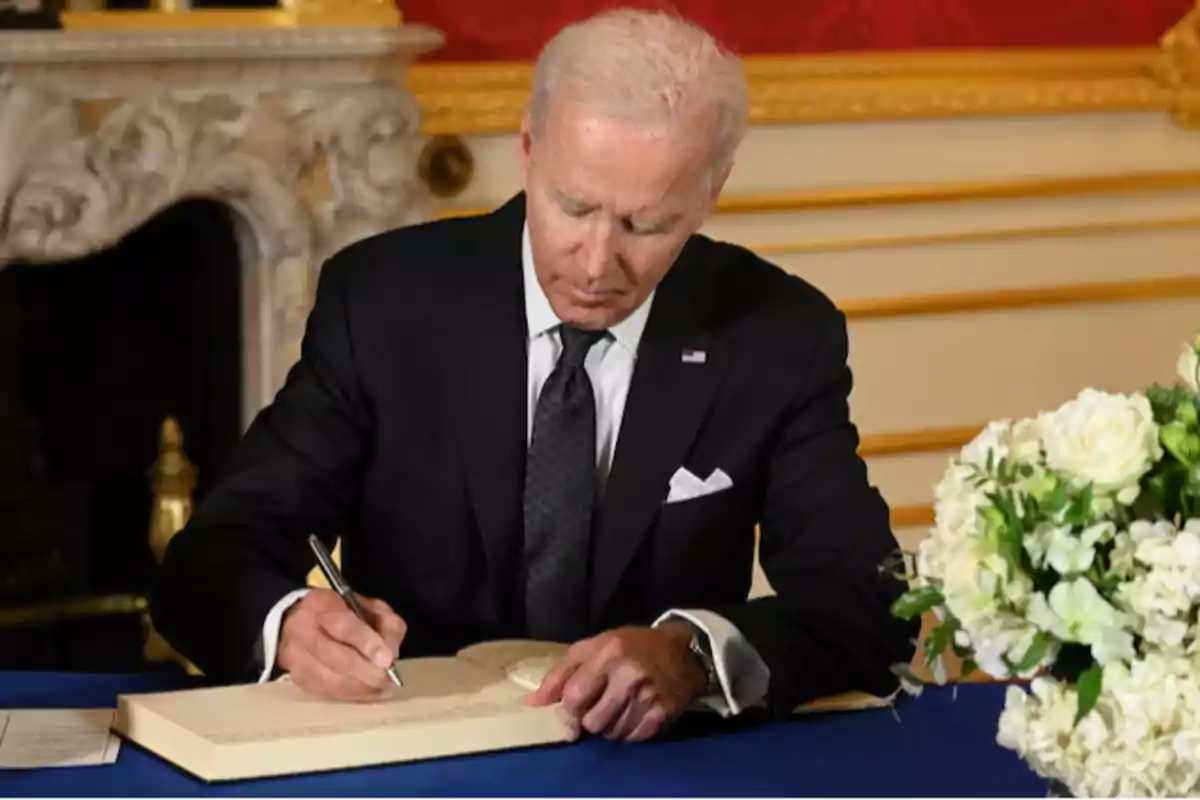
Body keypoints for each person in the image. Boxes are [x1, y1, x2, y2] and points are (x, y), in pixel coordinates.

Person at [150, 8, 917, 744]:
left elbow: (869, 601)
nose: (596, 263)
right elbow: (212, 558)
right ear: (527, 148)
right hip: (416, 752)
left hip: (660, 765)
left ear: (710, 194)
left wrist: (693, 653)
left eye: (645, 226)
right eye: (572, 206)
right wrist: (287, 622)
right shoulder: (383, 304)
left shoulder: (780, 334)